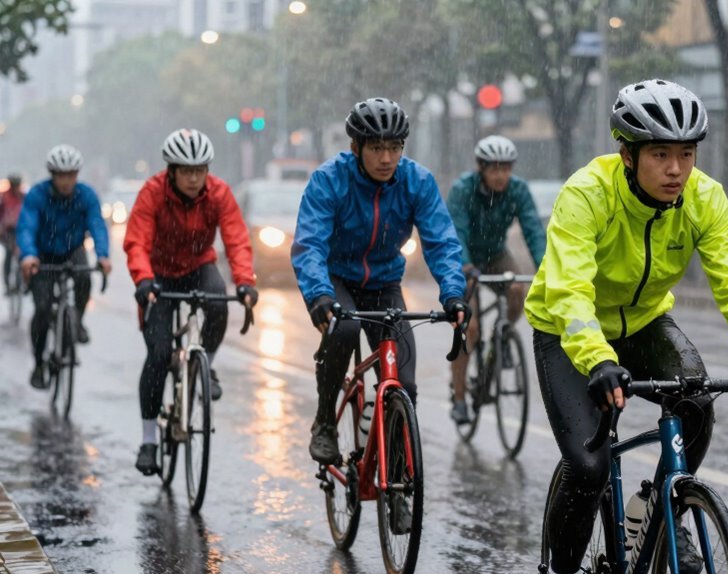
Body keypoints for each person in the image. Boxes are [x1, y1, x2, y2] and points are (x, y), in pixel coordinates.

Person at [525, 79, 728, 574]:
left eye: (687, 154)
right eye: (660, 154)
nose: (676, 169)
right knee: (589, 467)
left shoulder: (704, 199)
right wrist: (599, 359)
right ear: (628, 155)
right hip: (567, 332)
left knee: (695, 405)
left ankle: (659, 507)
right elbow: (569, 291)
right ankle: (562, 568)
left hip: (645, 322)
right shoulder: (587, 193)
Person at [291, 97, 468, 466]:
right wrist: (319, 294)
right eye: (376, 148)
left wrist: (453, 294)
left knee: (404, 382)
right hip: (337, 279)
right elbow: (309, 244)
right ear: (355, 148)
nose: (387, 158)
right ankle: (325, 420)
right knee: (343, 329)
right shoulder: (329, 180)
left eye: (394, 148)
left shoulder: (416, 181)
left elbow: (442, 241)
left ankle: (401, 476)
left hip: (385, 284)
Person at [124, 128, 258, 476]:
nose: (194, 178)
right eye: (186, 171)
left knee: (218, 303)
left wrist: (244, 283)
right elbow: (136, 241)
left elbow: (237, 240)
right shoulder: (152, 193)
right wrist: (143, 280)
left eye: (200, 170)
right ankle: (149, 439)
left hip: (199, 266)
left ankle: (205, 366)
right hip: (159, 275)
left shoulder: (219, 194)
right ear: (171, 170)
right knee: (157, 355)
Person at [446, 135, 546, 424]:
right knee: (471, 327)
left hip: (496, 254)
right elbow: (457, 231)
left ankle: (502, 336)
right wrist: (465, 265)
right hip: (466, 259)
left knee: (517, 288)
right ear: (481, 168)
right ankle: (460, 398)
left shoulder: (518, 190)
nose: (501, 175)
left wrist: (546, 266)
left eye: (506, 168)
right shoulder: (463, 190)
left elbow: (533, 231)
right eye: (494, 169)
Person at [17, 145, 111, 389]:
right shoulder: (37, 194)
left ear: (77, 175)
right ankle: (39, 364)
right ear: (52, 174)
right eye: (61, 175)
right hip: (43, 255)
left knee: (84, 279)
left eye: (71, 175)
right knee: (42, 309)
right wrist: (28, 255)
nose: (66, 180)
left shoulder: (86, 195)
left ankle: (77, 320)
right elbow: (26, 227)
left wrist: (103, 255)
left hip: (73, 250)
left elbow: (97, 225)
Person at [1, 173, 26, 293]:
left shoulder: (23, 197)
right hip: (7, 231)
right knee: (9, 256)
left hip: (21, 230)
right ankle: (7, 285)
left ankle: (20, 283)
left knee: (21, 256)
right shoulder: (3, 197)